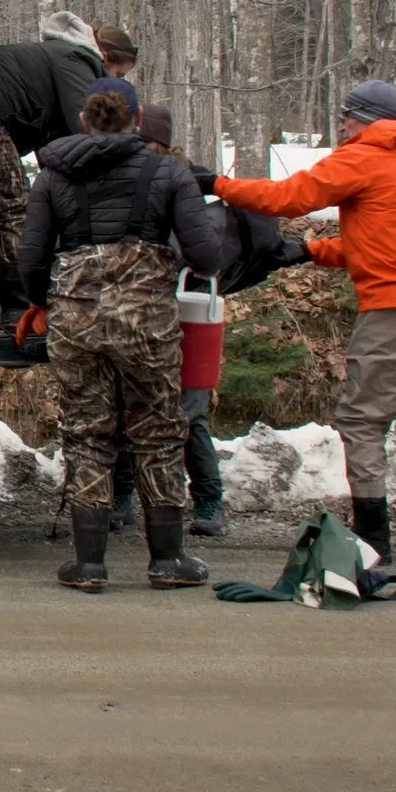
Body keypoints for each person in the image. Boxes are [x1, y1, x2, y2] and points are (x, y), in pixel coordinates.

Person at [198, 80, 396, 569]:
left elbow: (289, 197)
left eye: (346, 116)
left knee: (363, 420)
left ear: (365, 118)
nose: (341, 125)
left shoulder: (363, 156)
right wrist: (310, 251)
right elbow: (392, 239)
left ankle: (372, 539)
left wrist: (217, 184)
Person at [16, 78, 228, 592]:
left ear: (85, 120)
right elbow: (206, 256)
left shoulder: (52, 175)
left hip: (76, 323)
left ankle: (88, 565)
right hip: (146, 326)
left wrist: (41, 301)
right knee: (158, 432)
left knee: (87, 433)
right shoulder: (169, 171)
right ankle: (168, 561)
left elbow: (30, 258)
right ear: (137, 120)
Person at [0, 12, 139, 327]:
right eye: (119, 73)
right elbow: (88, 131)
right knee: (15, 210)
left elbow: (56, 152)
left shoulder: (59, 60)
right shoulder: (77, 61)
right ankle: (20, 309)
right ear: (106, 57)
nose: (117, 81)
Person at [103, 101, 230, 538]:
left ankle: (209, 501)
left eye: (147, 142)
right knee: (123, 406)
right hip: (133, 315)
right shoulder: (126, 182)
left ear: (159, 142)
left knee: (188, 412)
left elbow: (199, 250)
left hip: (182, 312)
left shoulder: (179, 184)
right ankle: (122, 497)